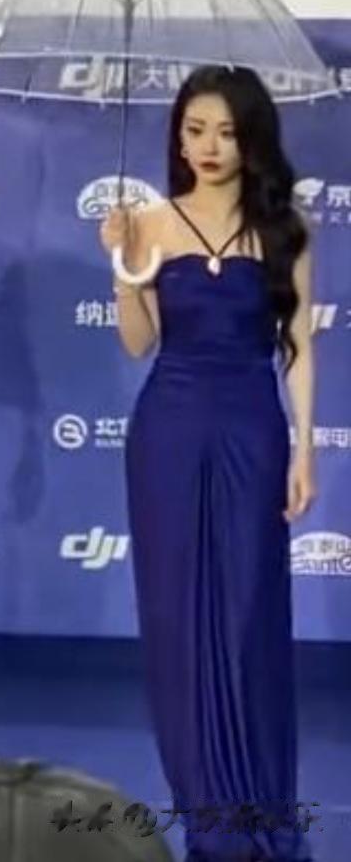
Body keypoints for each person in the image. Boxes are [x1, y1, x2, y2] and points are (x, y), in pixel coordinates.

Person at [101, 65, 314, 861]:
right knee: (177, 621)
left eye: (226, 131)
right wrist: (121, 266)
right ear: (178, 137)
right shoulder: (150, 223)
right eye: (195, 131)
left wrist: (305, 445)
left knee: (251, 615)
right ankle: (209, 820)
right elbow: (137, 342)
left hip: (252, 429)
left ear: (252, 138)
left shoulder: (286, 230)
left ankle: (263, 812)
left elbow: (298, 348)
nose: (210, 146)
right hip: (169, 432)